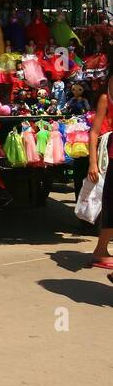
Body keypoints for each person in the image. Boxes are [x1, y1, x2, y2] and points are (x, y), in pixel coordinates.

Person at [85, 66, 113, 270]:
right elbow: (94, 133)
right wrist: (92, 162)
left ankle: (101, 250)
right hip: (110, 158)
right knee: (110, 206)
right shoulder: (106, 98)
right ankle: (100, 251)